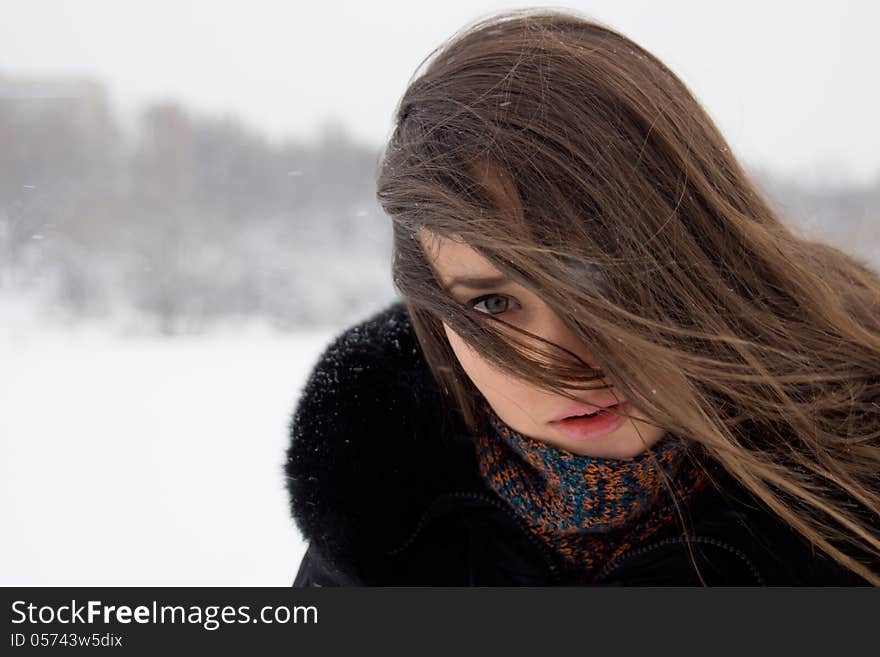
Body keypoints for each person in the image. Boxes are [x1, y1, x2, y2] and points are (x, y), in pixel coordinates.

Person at [285, 8, 880, 586]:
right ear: (437, 317)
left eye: (604, 282)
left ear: (701, 254)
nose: (564, 363)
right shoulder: (375, 531)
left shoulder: (853, 508)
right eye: (493, 304)